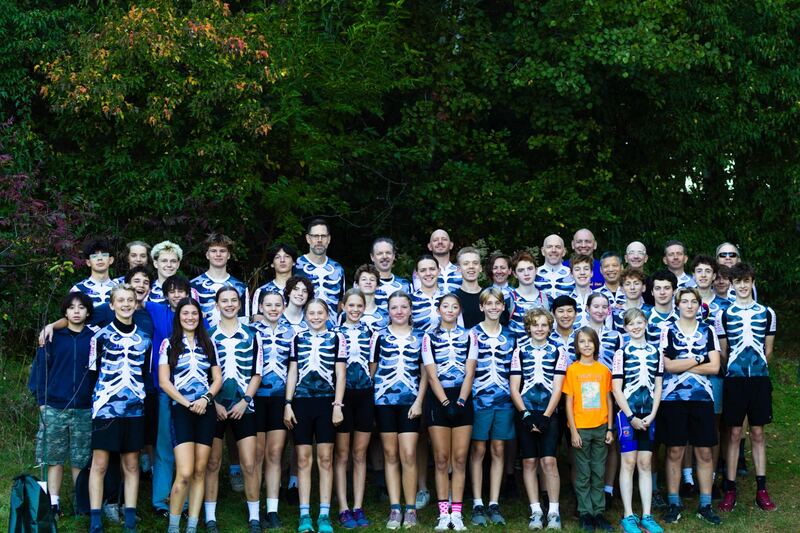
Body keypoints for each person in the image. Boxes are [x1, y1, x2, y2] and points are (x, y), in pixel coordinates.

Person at [87, 284, 152, 533]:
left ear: (136, 305)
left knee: (132, 464)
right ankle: (95, 519)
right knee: (100, 463)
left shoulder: (144, 339)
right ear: (112, 305)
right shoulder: (99, 337)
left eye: (130, 300)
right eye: (120, 300)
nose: (126, 304)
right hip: (105, 408)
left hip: (135, 408)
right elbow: (92, 374)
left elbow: (145, 374)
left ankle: (131, 519)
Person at [657, 287, 722, 526]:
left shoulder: (708, 331)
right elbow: (667, 366)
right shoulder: (667, 330)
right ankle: (674, 502)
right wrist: (698, 359)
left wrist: (682, 364)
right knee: (675, 450)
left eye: (693, 301)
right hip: (673, 398)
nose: (689, 305)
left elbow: (714, 367)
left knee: (704, 451)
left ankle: (705, 504)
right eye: (684, 301)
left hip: (702, 397)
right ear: (677, 305)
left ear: (698, 305)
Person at [29, 291, 96, 518]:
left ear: (88, 312)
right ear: (65, 312)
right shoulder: (52, 337)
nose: (76, 312)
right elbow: (40, 370)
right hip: (54, 407)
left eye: (81, 308)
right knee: (53, 457)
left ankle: (80, 503)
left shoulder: (94, 339)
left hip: (85, 407)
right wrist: (41, 402)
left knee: (81, 458)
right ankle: (53, 504)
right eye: (71, 308)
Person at [158, 298, 223, 533]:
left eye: (194, 314)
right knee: (184, 472)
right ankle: (174, 527)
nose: (190, 318)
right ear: (179, 317)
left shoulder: (209, 344)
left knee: (199, 470)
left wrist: (205, 399)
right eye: (185, 314)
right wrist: (188, 403)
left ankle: (193, 526)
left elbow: (217, 379)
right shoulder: (169, 344)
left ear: (200, 317)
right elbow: (164, 382)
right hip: (181, 410)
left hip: (205, 410)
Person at [716, 263, 777, 512]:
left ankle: (761, 489)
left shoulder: (767, 313)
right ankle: (730, 489)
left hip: (759, 379)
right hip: (735, 379)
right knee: (733, 433)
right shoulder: (724, 315)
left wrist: (757, 368)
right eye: (738, 281)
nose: (742, 285)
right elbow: (723, 351)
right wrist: (735, 369)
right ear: (732, 284)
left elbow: (769, 349)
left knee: (759, 432)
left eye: (746, 280)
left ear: (752, 282)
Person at [203, 287, 263, 533]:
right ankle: (210, 518)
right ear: (217, 305)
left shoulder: (251, 334)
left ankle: (255, 517)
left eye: (233, 301)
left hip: (244, 406)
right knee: (213, 462)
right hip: (215, 406)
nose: (229, 305)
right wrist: (213, 403)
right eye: (224, 301)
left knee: (249, 464)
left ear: (240, 305)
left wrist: (246, 400)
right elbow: (202, 373)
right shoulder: (207, 336)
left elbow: (257, 373)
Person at [283, 298, 346, 533]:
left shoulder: (337, 338)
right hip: (301, 402)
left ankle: (324, 514)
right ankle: (304, 514)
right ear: (305, 315)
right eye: (311, 313)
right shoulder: (297, 339)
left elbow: (340, 374)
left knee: (326, 459)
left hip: (326, 402)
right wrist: (288, 403)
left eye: (320, 313)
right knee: (303, 459)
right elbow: (292, 372)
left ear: (327, 315)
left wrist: (338, 404)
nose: (316, 317)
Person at [371, 291, 429, 529]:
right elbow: (373, 370)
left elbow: (426, 372)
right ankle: (395, 508)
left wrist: (418, 402)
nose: (399, 311)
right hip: (384, 402)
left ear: (410, 309)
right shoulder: (379, 336)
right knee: (391, 455)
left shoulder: (421, 337)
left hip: (410, 403)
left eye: (404, 307)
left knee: (408, 454)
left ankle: (411, 508)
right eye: (394, 307)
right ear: (388, 310)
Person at [510, 308, 568, 531]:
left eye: (544, 325)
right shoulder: (519, 351)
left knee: (549, 460)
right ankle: (535, 510)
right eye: (535, 325)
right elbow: (514, 387)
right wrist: (524, 413)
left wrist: (546, 416)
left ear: (550, 327)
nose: (540, 329)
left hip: (549, 412)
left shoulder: (558, 351)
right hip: (525, 410)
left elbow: (557, 387)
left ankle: (553, 511)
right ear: (528, 327)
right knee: (529, 461)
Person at [423, 294, 476, 532]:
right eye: (446, 306)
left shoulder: (470, 335)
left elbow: (470, 371)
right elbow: (431, 374)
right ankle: (443, 514)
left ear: (459, 311)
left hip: (462, 398)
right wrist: (445, 403)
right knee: (442, 459)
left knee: (460, 459)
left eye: (454, 307)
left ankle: (458, 512)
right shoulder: (428, 336)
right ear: (439, 309)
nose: (450, 310)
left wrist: (461, 401)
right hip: (438, 400)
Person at [612, 309, 665, 533]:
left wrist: (653, 413)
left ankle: (647, 515)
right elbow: (616, 388)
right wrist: (630, 416)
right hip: (628, 415)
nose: (635, 327)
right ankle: (628, 515)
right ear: (625, 328)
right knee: (629, 463)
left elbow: (659, 384)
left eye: (639, 322)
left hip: (649, 414)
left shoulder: (657, 352)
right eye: (630, 324)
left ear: (645, 324)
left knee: (645, 463)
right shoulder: (621, 353)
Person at [250, 290, 298, 529]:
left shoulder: (292, 333)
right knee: (257, 453)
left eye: (277, 305)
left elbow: (293, 368)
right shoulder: (251, 332)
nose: (273, 309)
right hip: (256, 398)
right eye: (268, 305)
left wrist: (289, 401)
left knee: (275, 453)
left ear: (283, 305)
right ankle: (255, 507)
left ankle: (272, 508)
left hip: (280, 397)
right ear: (260, 306)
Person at [469, 288, 516, 527]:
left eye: (498, 303)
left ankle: (494, 502)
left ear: (503, 307)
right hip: (479, 401)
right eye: (489, 303)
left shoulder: (511, 335)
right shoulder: (472, 335)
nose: (494, 307)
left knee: (498, 449)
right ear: (481, 307)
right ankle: (477, 501)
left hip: (505, 402)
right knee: (478, 450)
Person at [563, 327, 615, 533]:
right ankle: (585, 513)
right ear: (576, 346)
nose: (586, 345)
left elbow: (609, 401)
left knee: (598, 472)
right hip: (581, 429)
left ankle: (599, 512)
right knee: (583, 473)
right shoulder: (573, 370)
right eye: (582, 341)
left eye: (590, 341)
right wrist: (573, 431)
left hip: (600, 427)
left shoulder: (603, 370)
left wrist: (610, 428)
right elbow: (568, 402)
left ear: (596, 344)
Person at [332, 289, 375, 529]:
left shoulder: (371, 333)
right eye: (351, 305)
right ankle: (343, 506)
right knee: (342, 454)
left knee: (360, 453)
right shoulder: (334, 333)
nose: (356, 310)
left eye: (360, 306)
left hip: (365, 395)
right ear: (343, 306)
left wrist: (369, 379)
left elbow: (374, 362)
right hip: (343, 395)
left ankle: (358, 505)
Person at [583, 293, 622, 507]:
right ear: (587, 308)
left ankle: (607, 488)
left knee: (610, 441)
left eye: (604, 306)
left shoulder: (616, 335)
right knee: (586, 441)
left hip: (610, 392)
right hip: (585, 393)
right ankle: (586, 486)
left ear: (609, 310)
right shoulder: (580, 334)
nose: (599, 310)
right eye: (595, 306)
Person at [192, 233, 249, 327]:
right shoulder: (193, 286)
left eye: (222, 251)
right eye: (213, 251)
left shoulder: (240, 287)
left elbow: (244, 322)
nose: (218, 254)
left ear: (229, 255)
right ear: (207, 255)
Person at [294, 218, 346, 315]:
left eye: (323, 236)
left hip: (331, 328)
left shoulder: (338, 269)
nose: (319, 240)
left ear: (329, 239)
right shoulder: (296, 265)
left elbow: (341, 301)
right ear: (308, 239)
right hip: (302, 327)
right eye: (315, 236)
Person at [507, 250, 550, 339]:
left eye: (530, 269)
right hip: (516, 351)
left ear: (536, 270)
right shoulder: (508, 300)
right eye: (521, 270)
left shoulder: (547, 300)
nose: (526, 273)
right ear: (515, 274)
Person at [251, 243, 298, 317]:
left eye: (287, 256)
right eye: (277, 257)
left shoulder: (302, 289)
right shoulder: (262, 291)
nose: (282, 260)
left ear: (294, 262)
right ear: (272, 264)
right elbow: (257, 320)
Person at [71, 237, 117, 306]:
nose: (100, 259)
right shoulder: (78, 289)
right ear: (88, 262)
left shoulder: (120, 289)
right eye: (94, 256)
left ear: (111, 260)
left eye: (104, 255)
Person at [413, 229, 462, 293]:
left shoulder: (461, 271)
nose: (440, 242)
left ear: (451, 245)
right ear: (429, 246)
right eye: (435, 240)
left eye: (444, 239)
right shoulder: (421, 271)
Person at [370, 237, 412, 311]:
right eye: (380, 253)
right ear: (372, 257)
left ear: (393, 256)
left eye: (388, 253)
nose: (384, 256)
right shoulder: (363, 284)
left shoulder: (406, 285)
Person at [611, 268, 652, 334]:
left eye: (636, 283)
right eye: (628, 284)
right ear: (622, 289)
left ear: (644, 287)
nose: (632, 287)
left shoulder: (652, 311)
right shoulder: (613, 313)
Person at [350, 264, 389, 330]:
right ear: (357, 285)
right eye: (364, 279)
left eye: (372, 280)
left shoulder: (386, 315)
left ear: (377, 286)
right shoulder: (347, 314)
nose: (368, 282)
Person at [411, 254, 445, 332]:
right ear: (416, 274)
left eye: (432, 269)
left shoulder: (449, 298)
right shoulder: (409, 301)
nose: (428, 273)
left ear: (439, 271)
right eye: (423, 270)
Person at [535, 235, 575, 301]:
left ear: (564, 251)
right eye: (549, 247)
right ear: (543, 251)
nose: (553, 250)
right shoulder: (533, 274)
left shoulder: (573, 274)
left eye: (558, 247)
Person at [645, 271, 678, 346]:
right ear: (652, 292)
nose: (662, 292)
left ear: (674, 291)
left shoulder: (682, 317)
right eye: (657, 288)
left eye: (667, 288)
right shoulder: (644, 318)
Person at [454, 246, 484, 329]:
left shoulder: (489, 297)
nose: (471, 266)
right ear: (459, 269)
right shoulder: (453, 298)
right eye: (466, 263)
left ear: (480, 268)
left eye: (475, 263)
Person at [149, 241, 186, 305]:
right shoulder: (147, 290)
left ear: (178, 264)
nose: (169, 265)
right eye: (164, 261)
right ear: (155, 263)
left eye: (173, 261)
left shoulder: (189, 290)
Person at [567, 254, 594, 322]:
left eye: (586, 269)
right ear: (571, 274)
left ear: (591, 273)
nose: (582, 272)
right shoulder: (565, 300)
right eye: (577, 269)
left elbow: (608, 327)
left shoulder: (601, 299)